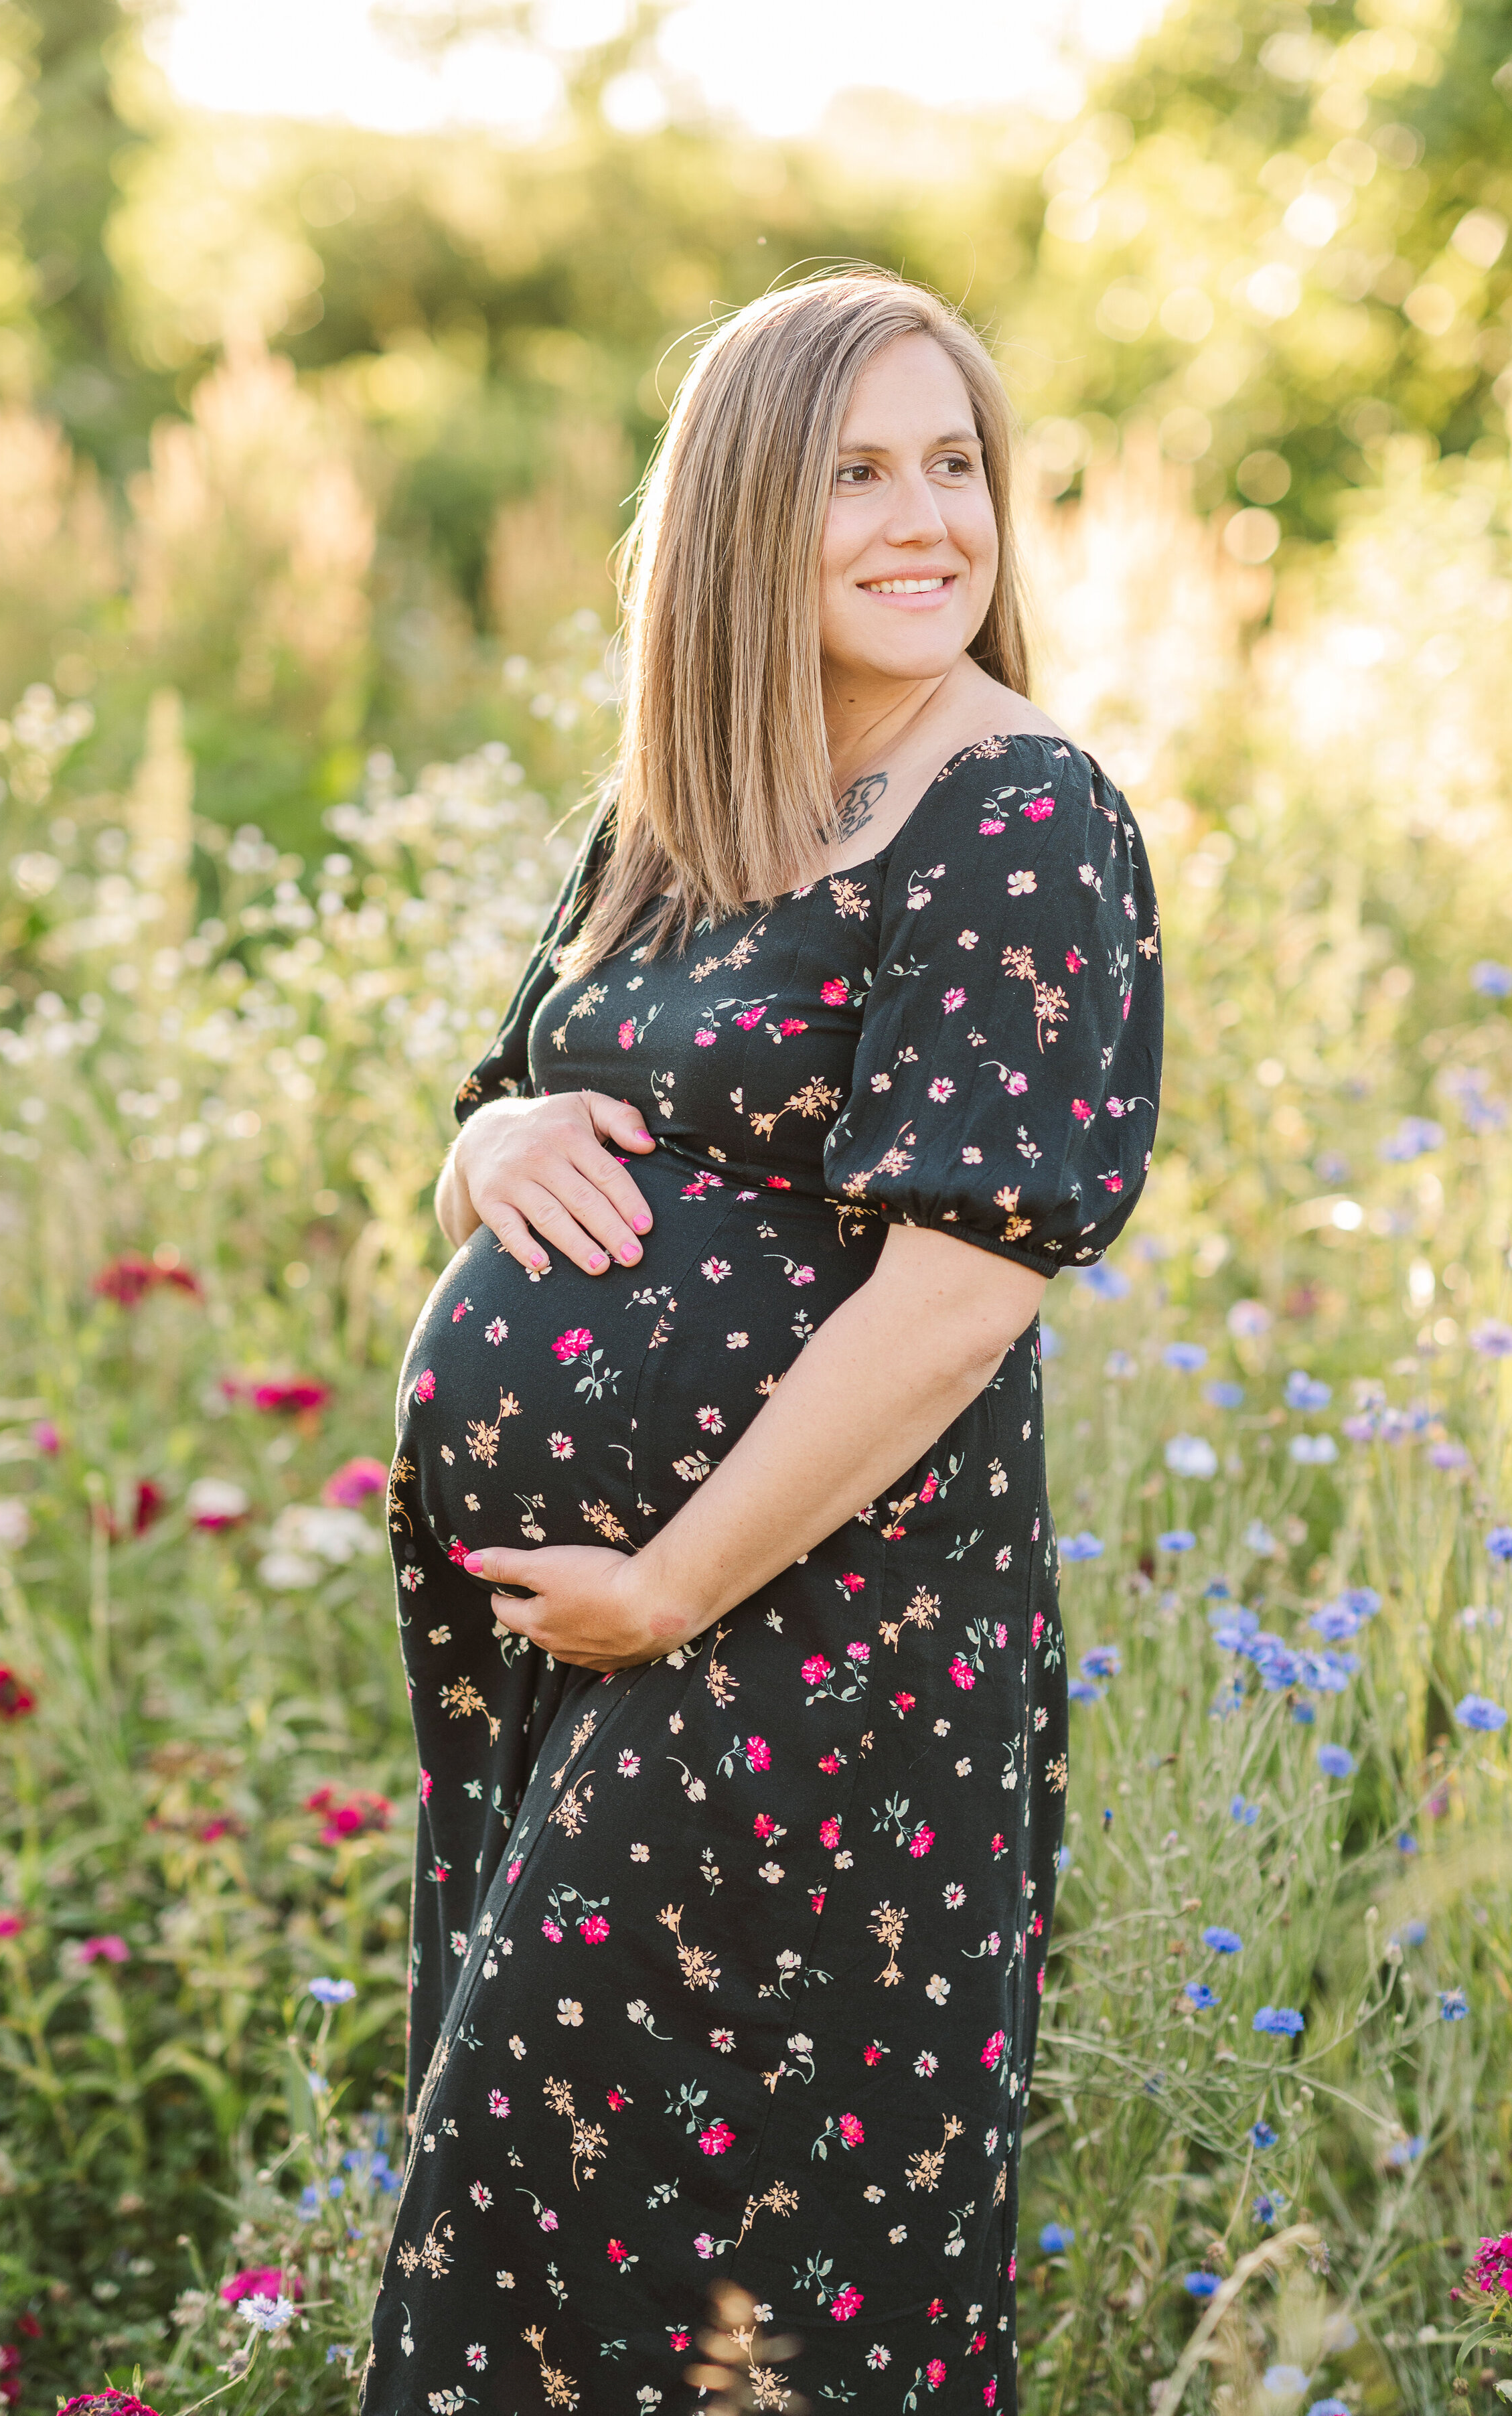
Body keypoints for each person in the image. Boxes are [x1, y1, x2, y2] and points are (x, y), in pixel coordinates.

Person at [364, 269, 1162, 2415]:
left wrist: (668, 1584)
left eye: (955, 463)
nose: (927, 521)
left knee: (742, 2277)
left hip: (807, 1651)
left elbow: (960, 1289)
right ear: (738, 521)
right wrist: (497, 1146)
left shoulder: (1018, 813)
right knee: (540, 2214)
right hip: (585, 1641)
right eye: (854, 473)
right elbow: (494, 1106)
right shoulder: (687, 801)